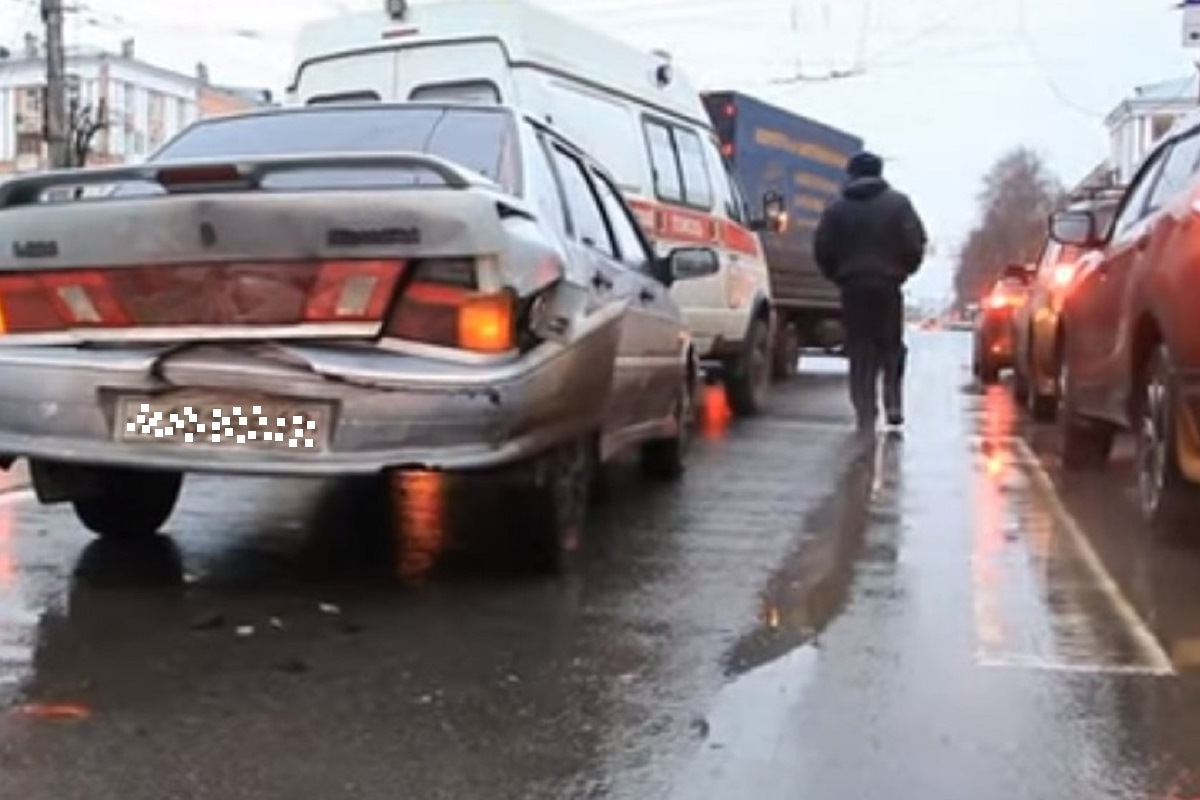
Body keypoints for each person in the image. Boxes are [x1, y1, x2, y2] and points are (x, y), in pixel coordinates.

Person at [812, 151, 927, 432]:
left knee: (860, 348)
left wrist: (838, 275)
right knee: (890, 345)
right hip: (888, 285)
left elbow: (822, 248)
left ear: (852, 174)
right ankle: (893, 402)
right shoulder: (900, 205)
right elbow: (916, 243)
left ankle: (865, 409)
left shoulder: (837, 208)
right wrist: (902, 272)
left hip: (853, 287)